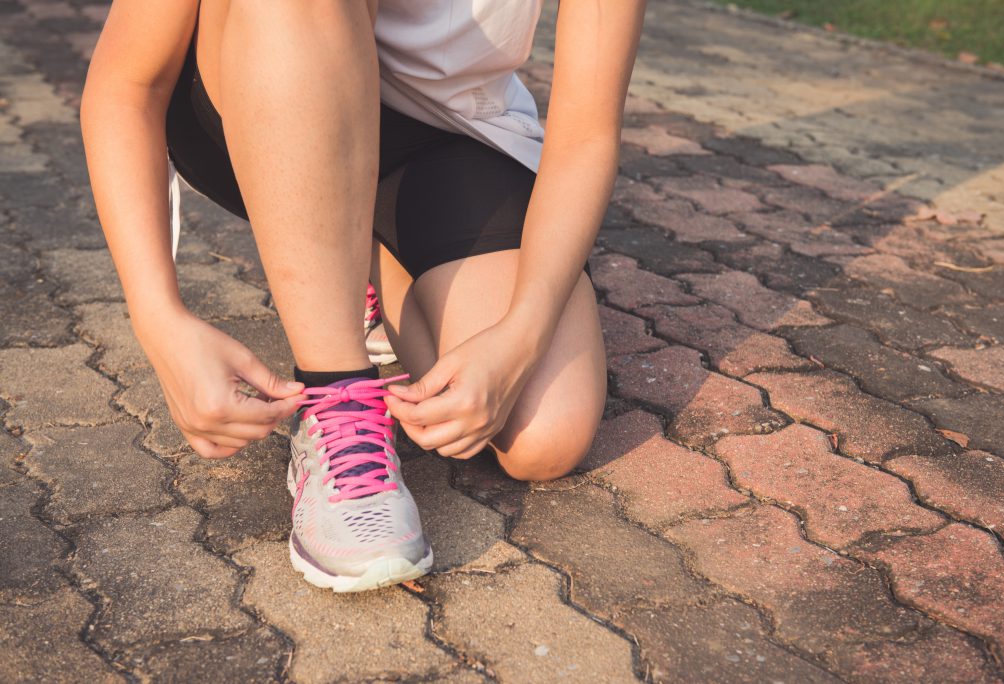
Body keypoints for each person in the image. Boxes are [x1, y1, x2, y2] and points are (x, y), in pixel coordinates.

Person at [80, 0, 646, 592]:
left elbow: (587, 133)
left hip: (447, 132)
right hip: (260, 78)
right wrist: (159, 318)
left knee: (542, 435)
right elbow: (126, 84)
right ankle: (337, 398)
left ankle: (352, 258)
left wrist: (521, 335)